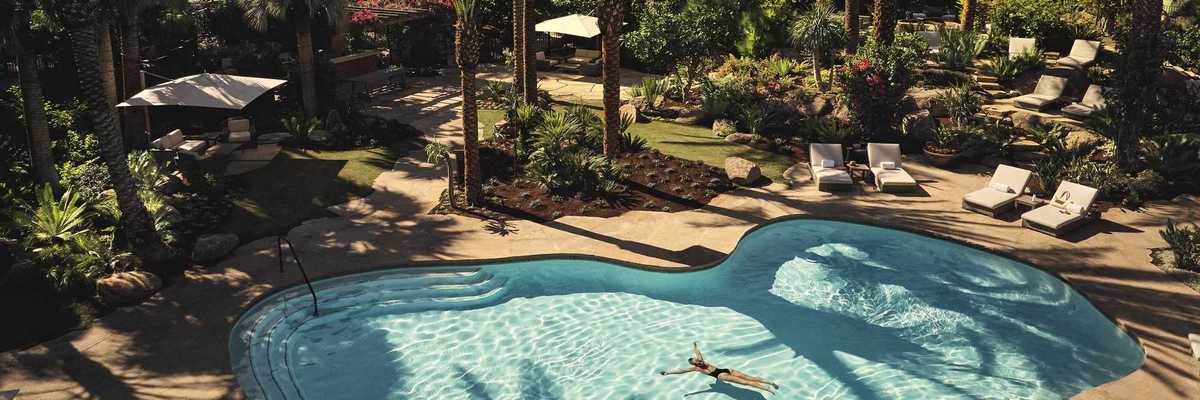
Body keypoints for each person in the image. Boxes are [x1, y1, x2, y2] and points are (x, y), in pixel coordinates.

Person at [658, 342, 779, 395]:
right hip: (721, 375)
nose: (698, 361)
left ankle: (770, 383)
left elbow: (697, 352)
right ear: (695, 365)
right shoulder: (697, 368)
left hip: (726, 370)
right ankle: (767, 389)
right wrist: (668, 372)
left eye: (697, 360)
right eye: (696, 362)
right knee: (746, 382)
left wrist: (694, 345)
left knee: (749, 378)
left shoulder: (701, 361)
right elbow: (681, 371)